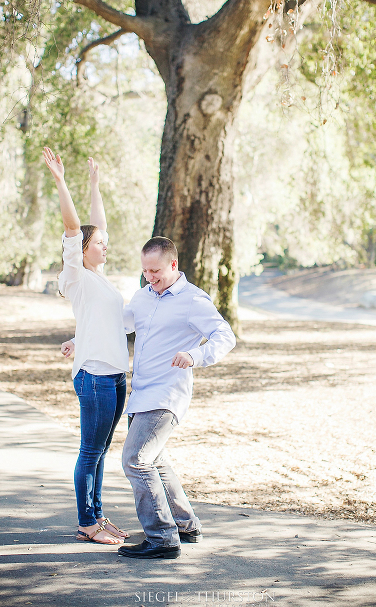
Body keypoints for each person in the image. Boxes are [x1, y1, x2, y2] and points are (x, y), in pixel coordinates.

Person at [116, 236, 236, 559]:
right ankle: (185, 525)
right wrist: (78, 339)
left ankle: (162, 539)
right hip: (141, 393)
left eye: (155, 271)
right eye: (145, 271)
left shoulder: (193, 301)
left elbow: (226, 336)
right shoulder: (142, 297)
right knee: (154, 460)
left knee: (135, 460)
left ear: (173, 264)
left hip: (167, 395)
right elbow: (118, 326)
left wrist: (196, 355)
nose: (150, 277)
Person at [43, 147, 131, 545]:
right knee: (90, 453)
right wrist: (62, 180)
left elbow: (98, 224)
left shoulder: (101, 278)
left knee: (102, 453)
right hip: (94, 376)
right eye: (100, 243)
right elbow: (75, 225)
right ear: (82, 249)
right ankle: (86, 523)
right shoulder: (75, 275)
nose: (105, 245)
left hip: (114, 376)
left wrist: (95, 183)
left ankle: (97, 515)